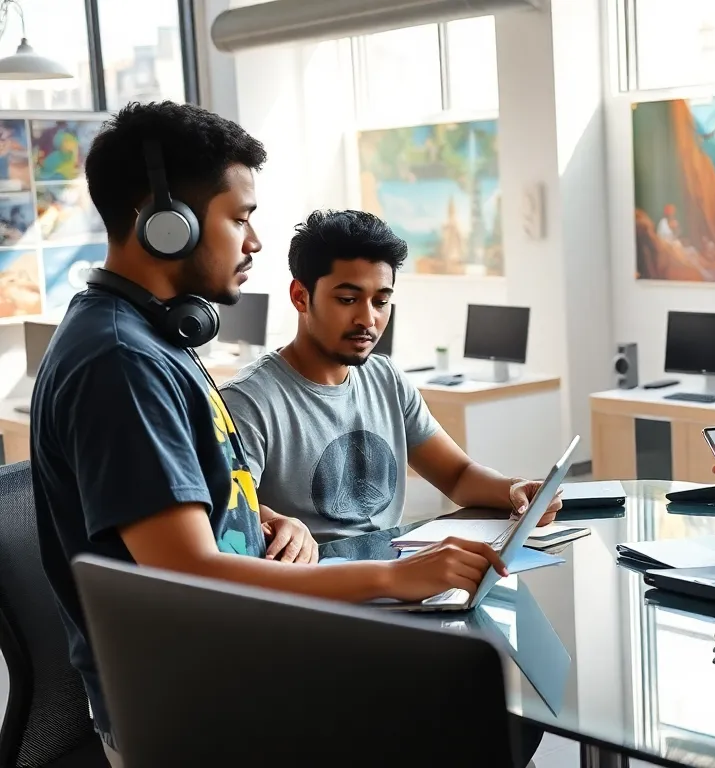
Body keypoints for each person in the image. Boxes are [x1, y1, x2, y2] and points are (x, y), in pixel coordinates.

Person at [28, 102, 512, 764]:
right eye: (240, 217)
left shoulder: (153, 340)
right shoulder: (120, 360)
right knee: (473, 708)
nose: (253, 241)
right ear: (166, 223)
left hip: (231, 662)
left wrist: (262, 514)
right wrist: (393, 577)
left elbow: (176, 505)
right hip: (196, 706)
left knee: (474, 692)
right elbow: (191, 572)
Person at [219, 209, 562, 545]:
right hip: (316, 586)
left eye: (381, 301)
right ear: (300, 297)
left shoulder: (386, 380)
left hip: (394, 573)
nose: (367, 319)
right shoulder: (247, 401)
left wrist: (513, 489)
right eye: (348, 299)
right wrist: (272, 519)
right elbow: (224, 511)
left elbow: (457, 476)